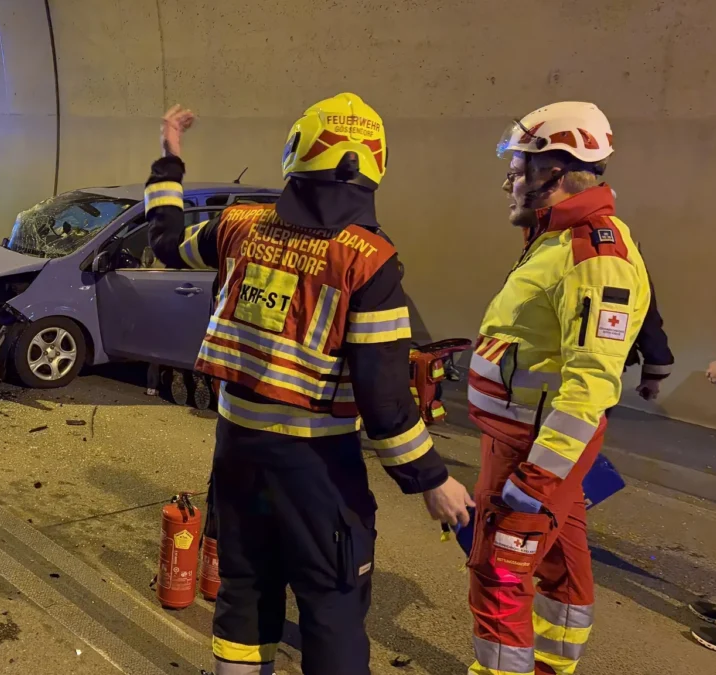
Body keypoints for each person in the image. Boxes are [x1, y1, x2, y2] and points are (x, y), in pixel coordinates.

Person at [146, 94, 474, 675]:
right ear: (372, 166)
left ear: (296, 154)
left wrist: (170, 157)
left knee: (244, 594)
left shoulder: (238, 227)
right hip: (317, 467)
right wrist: (432, 480)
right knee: (333, 604)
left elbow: (166, 241)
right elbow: (384, 398)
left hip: (237, 453)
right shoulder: (368, 261)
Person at [466, 102, 651, 675]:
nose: (508, 181)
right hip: (530, 442)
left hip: (535, 450)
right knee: (562, 569)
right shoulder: (557, 239)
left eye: (518, 168)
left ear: (555, 170)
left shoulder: (592, 255)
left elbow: (592, 380)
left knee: (497, 576)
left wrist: (537, 477)